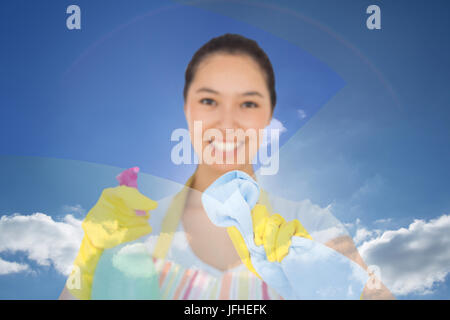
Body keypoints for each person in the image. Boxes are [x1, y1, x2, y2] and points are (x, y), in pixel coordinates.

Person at [59, 33, 395, 300]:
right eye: (208, 101)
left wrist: (326, 274)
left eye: (248, 103)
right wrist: (89, 264)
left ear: (268, 116)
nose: (227, 122)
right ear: (186, 110)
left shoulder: (311, 226)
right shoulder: (134, 230)